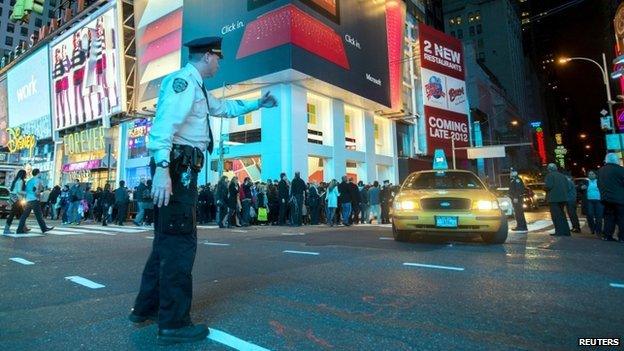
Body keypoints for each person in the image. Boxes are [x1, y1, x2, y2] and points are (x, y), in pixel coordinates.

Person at [129, 36, 278, 345]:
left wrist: (257, 103)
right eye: (218, 58)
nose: (220, 64)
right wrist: (161, 169)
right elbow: (163, 126)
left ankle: (148, 308)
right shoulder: (184, 83)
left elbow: (224, 108)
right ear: (209, 56)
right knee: (180, 245)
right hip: (179, 172)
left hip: (181, 171)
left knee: (165, 243)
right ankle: (173, 323)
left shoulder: (197, 88)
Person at [16, 169, 54, 234]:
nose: (40, 174)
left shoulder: (29, 181)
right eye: (40, 173)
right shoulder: (37, 180)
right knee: (39, 215)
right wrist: (38, 195)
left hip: (28, 200)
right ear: (38, 173)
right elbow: (36, 191)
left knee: (25, 215)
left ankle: (19, 229)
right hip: (34, 199)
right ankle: (44, 228)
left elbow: (27, 190)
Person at [597, 153, 624, 242]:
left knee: (609, 217)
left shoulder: (601, 170)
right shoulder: (620, 170)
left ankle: (607, 236)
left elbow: (599, 184)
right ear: (616, 160)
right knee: (621, 218)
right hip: (620, 199)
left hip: (606, 199)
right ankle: (622, 237)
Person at [545, 163, 571, 236]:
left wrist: (544, 188)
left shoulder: (549, 175)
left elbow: (548, 186)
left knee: (556, 216)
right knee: (562, 215)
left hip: (553, 199)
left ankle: (559, 232)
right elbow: (568, 187)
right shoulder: (562, 176)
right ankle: (566, 231)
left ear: (549, 169)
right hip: (563, 198)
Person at [3, 170, 27, 234]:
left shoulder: (16, 180)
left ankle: (24, 228)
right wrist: (26, 193)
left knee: (21, 214)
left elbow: (13, 190)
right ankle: (6, 229)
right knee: (12, 214)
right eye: (25, 174)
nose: (26, 175)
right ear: (23, 174)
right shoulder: (21, 181)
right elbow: (19, 191)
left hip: (13, 198)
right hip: (17, 199)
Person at [583, 170, 603, 236]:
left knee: (599, 217)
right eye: (589, 174)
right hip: (589, 201)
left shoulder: (599, 182)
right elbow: (579, 187)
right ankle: (592, 228)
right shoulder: (586, 182)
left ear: (595, 175)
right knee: (590, 215)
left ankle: (598, 231)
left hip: (599, 201)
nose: (591, 175)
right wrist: (581, 187)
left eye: (592, 174)